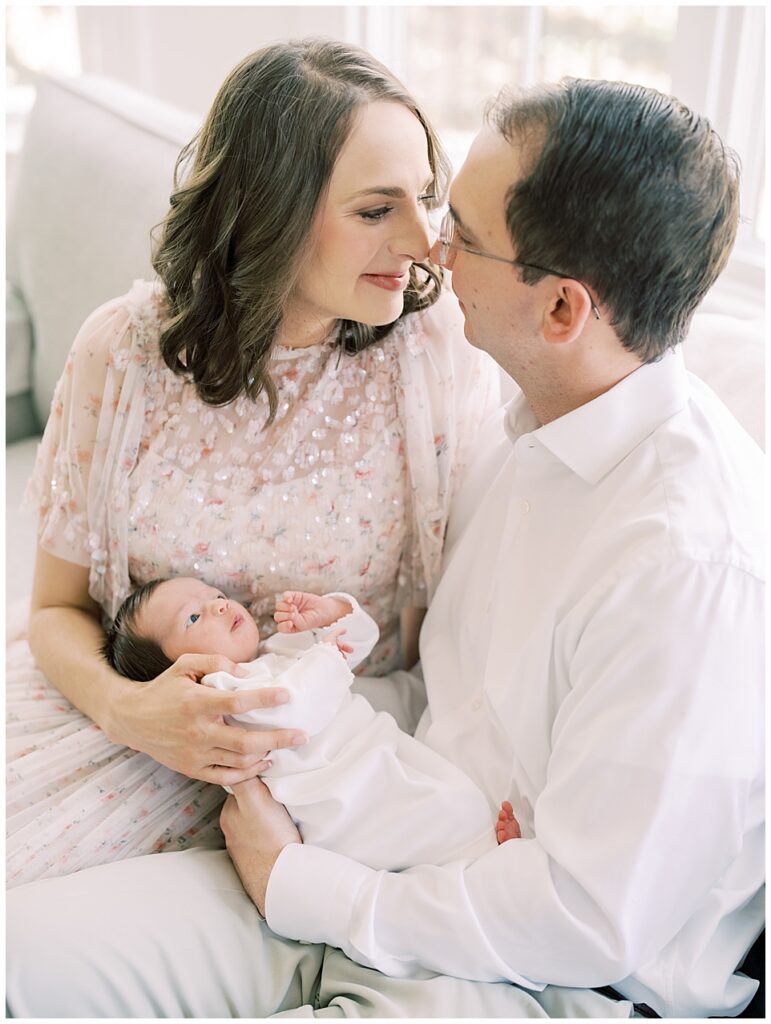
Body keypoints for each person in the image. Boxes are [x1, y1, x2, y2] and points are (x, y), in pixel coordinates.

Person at [7, 76, 763, 1020]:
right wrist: (294, 710)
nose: (429, 251)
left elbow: (584, 916)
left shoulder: (688, 566)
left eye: (462, 232)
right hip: (365, 848)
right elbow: (439, 696)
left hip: (539, 972)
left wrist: (303, 885)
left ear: (563, 310)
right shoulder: (527, 432)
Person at [5, 37, 500, 887]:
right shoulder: (124, 353)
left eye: (426, 197)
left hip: (311, 757)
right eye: (376, 210)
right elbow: (52, 610)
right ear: (271, 209)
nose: (426, 241)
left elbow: (448, 648)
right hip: (106, 711)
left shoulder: (431, 355)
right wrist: (132, 710)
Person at [102, 577, 520, 869]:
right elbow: (295, 709)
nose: (220, 605)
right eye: (193, 618)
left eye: (215, 595)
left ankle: (484, 857)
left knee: (458, 794)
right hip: (344, 803)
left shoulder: (273, 652)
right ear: (181, 673)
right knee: (442, 817)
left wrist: (333, 612)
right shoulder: (223, 695)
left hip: (377, 760)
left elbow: (354, 645)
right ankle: (487, 862)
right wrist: (326, 656)